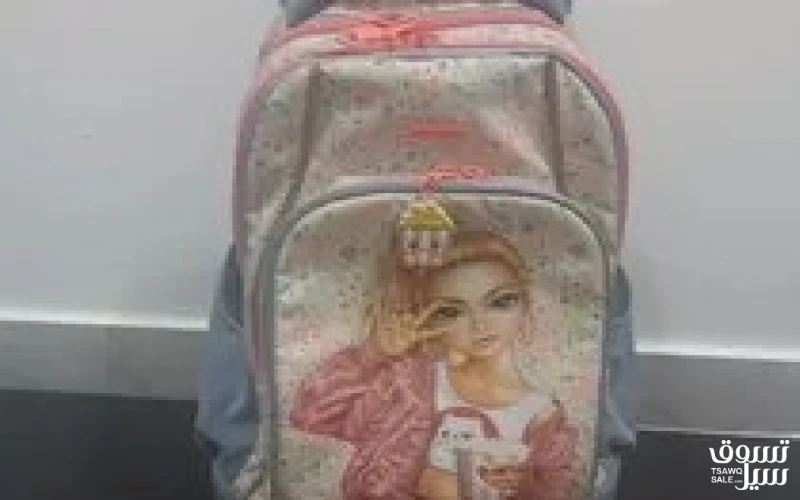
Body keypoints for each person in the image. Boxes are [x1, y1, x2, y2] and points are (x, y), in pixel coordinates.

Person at [289, 228, 578, 499]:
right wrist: (373, 355)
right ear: (427, 319)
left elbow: (558, 489)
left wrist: (526, 484)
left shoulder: (541, 414)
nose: (480, 325)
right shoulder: (408, 383)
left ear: (526, 305)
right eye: (451, 312)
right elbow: (310, 416)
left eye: (500, 302)